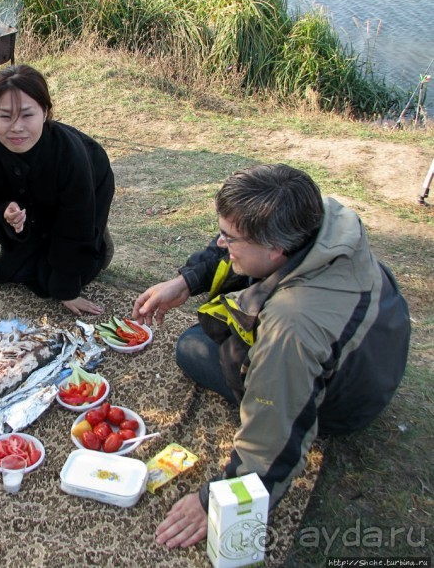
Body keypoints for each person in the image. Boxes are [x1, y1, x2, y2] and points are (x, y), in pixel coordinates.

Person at [132, 164, 410, 549]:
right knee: (206, 339)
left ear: (275, 248)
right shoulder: (322, 218)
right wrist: (187, 280)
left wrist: (215, 500)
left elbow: (273, 435)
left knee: (192, 348)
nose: (221, 243)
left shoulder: (291, 327)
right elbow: (235, 249)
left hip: (340, 405)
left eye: (230, 238)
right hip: (370, 361)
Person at [0, 65, 115, 316]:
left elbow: (76, 222)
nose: (16, 127)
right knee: (19, 272)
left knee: (54, 283)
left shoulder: (71, 155)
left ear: (45, 112)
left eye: (27, 115)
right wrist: (3, 214)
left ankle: (101, 242)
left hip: (89, 189)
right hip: (31, 208)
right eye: (5, 116)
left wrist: (67, 289)